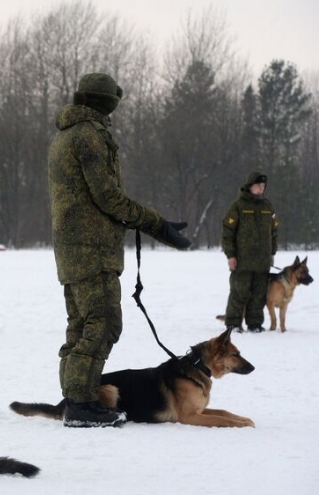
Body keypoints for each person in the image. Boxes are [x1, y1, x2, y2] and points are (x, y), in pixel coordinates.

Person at [47, 73, 192, 427]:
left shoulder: (67, 135)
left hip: (73, 249)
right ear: (107, 102)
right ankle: (81, 404)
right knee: (104, 323)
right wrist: (157, 224)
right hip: (93, 250)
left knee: (81, 326)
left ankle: (76, 399)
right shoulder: (89, 135)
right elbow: (108, 197)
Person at [221, 172, 278, 333]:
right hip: (242, 260)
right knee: (239, 293)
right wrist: (230, 255)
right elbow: (227, 232)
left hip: (262, 261)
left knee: (259, 295)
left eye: (263, 186)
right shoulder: (238, 206)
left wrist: (272, 253)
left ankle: (255, 324)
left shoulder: (268, 206)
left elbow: (274, 231)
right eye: (258, 185)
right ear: (249, 186)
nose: (261, 188)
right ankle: (233, 324)